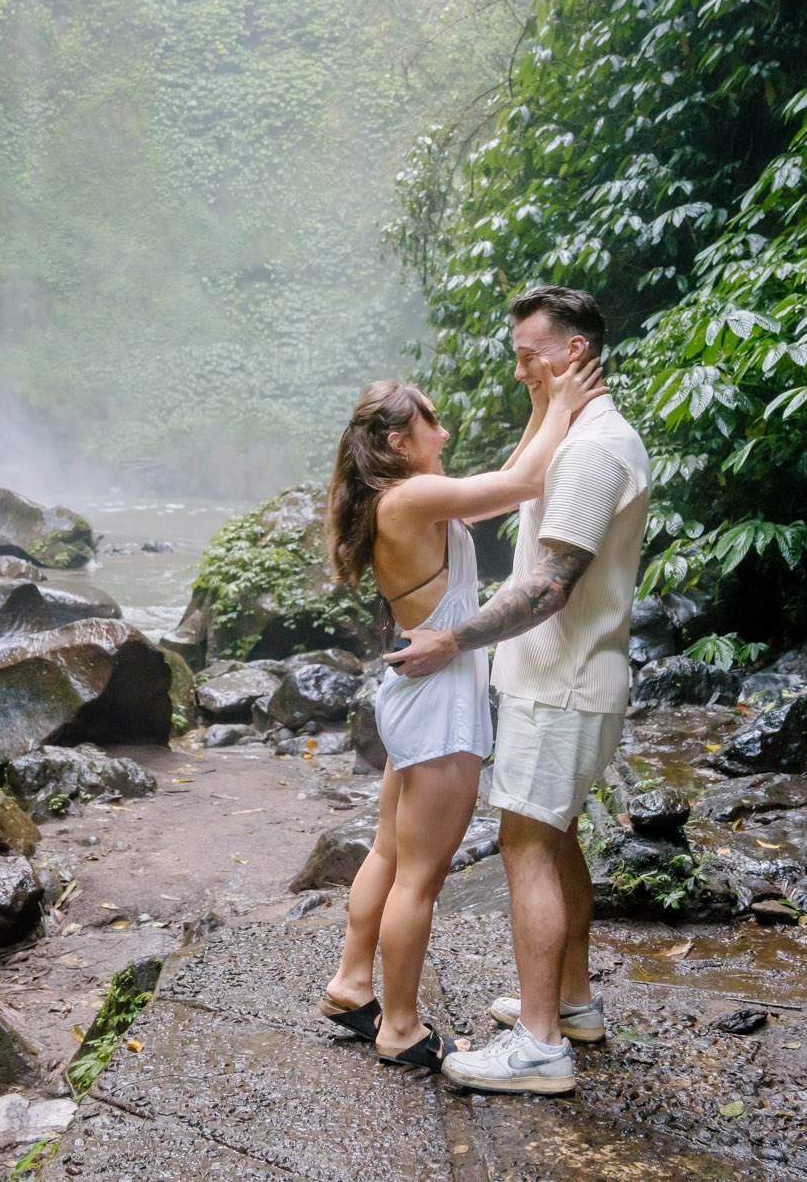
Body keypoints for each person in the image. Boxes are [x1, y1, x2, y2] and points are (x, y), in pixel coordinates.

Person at [386, 285, 650, 1096]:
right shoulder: (589, 435)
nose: (520, 368)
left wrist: (451, 638)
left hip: (560, 683)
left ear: (576, 351)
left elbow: (550, 585)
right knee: (556, 836)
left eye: (531, 354)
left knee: (526, 845)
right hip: (570, 680)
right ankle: (570, 1004)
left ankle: (539, 1046)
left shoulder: (592, 450)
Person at [317, 354, 606, 1073]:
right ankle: (401, 1026)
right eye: (431, 422)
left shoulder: (403, 498)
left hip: (417, 696)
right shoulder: (408, 499)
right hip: (438, 704)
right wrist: (566, 398)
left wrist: (544, 405)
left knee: (389, 852)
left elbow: (494, 496)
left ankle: (354, 984)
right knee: (421, 873)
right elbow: (524, 483)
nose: (443, 433)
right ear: (398, 444)